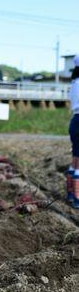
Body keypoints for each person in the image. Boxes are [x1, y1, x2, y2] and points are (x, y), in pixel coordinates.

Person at [67, 54, 79, 209]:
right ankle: (77, 198)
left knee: (75, 159)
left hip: (75, 120)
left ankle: (70, 194)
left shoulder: (74, 83)